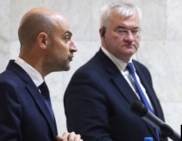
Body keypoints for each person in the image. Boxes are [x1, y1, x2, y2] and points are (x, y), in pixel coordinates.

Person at [64, 1, 167, 141]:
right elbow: (93, 138)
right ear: (102, 33)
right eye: (121, 30)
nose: (130, 38)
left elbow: (156, 129)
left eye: (135, 31)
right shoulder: (86, 80)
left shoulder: (142, 71)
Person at [0, 7, 83, 141]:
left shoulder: (36, 87)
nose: (74, 47)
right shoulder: (5, 89)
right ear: (43, 41)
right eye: (66, 38)